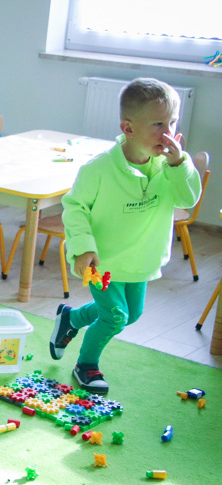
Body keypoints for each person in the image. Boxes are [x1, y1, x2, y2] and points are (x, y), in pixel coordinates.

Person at [50, 78, 202, 394]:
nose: (168, 132)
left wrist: (179, 165)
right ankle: (85, 366)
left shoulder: (170, 166)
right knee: (115, 316)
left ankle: (71, 319)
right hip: (98, 260)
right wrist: (82, 247)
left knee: (132, 314)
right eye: (158, 124)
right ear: (129, 128)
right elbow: (74, 207)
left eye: (172, 122)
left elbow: (188, 199)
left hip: (139, 258)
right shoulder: (99, 169)